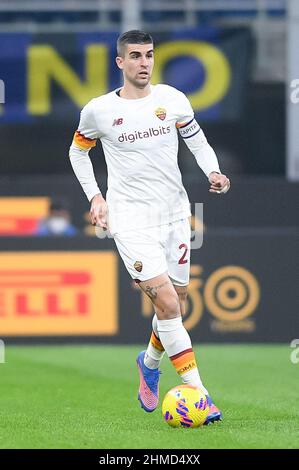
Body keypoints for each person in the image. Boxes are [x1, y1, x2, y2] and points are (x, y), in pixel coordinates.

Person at [69, 30, 230, 424]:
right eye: (136, 56)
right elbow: (78, 151)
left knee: (178, 300)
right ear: (120, 62)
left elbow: (197, 141)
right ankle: (201, 395)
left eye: (150, 55)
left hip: (177, 215)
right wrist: (96, 196)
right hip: (131, 220)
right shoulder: (99, 111)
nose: (144, 62)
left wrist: (213, 170)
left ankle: (150, 361)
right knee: (170, 305)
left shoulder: (172, 100)